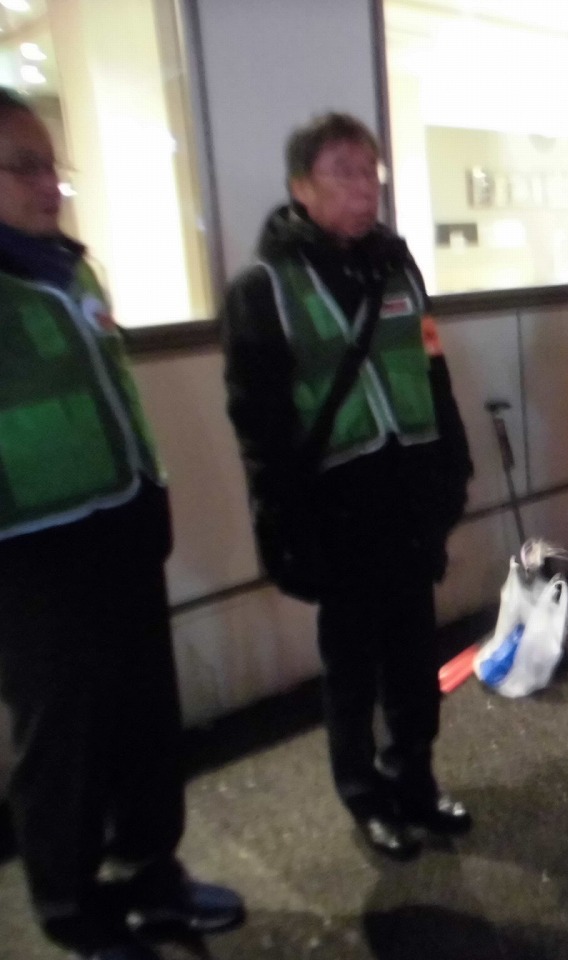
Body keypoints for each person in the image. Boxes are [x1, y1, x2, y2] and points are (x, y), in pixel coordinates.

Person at [0, 89, 243, 960]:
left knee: (143, 714)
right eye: (24, 166)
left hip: (119, 524)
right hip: (29, 549)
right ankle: (72, 909)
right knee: (62, 736)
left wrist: (152, 495)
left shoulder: (71, 270)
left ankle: (150, 875)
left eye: (52, 164)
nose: (49, 183)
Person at [220, 113, 474, 860]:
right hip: (337, 509)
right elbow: (258, 422)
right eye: (343, 173)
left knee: (414, 657)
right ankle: (364, 796)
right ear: (301, 187)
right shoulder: (263, 288)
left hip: (409, 497)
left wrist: (452, 470)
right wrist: (283, 525)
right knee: (353, 668)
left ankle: (415, 779)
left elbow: (432, 371)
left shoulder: (398, 268)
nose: (365, 187)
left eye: (371, 172)